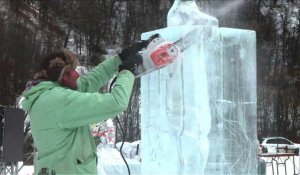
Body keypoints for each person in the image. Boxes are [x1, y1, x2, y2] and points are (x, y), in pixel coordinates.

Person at [21, 40, 151, 174]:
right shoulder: (58, 100)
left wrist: (120, 59)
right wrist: (127, 72)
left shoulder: (45, 97)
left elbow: (88, 82)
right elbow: (116, 102)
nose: (77, 75)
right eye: (73, 70)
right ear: (63, 76)